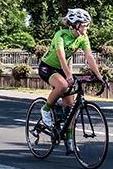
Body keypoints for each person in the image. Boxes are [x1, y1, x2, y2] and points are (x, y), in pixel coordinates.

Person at [38, 8, 105, 154]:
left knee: (70, 106)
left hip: (62, 69)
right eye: (85, 25)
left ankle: (69, 140)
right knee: (62, 84)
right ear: (75, 24)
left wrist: (99, 76)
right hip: (48, 67)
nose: (87, 28)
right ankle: (46, 109)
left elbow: (89, 57)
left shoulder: (83, 37)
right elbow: (61, 57)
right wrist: (69, 75)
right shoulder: (60, 35)